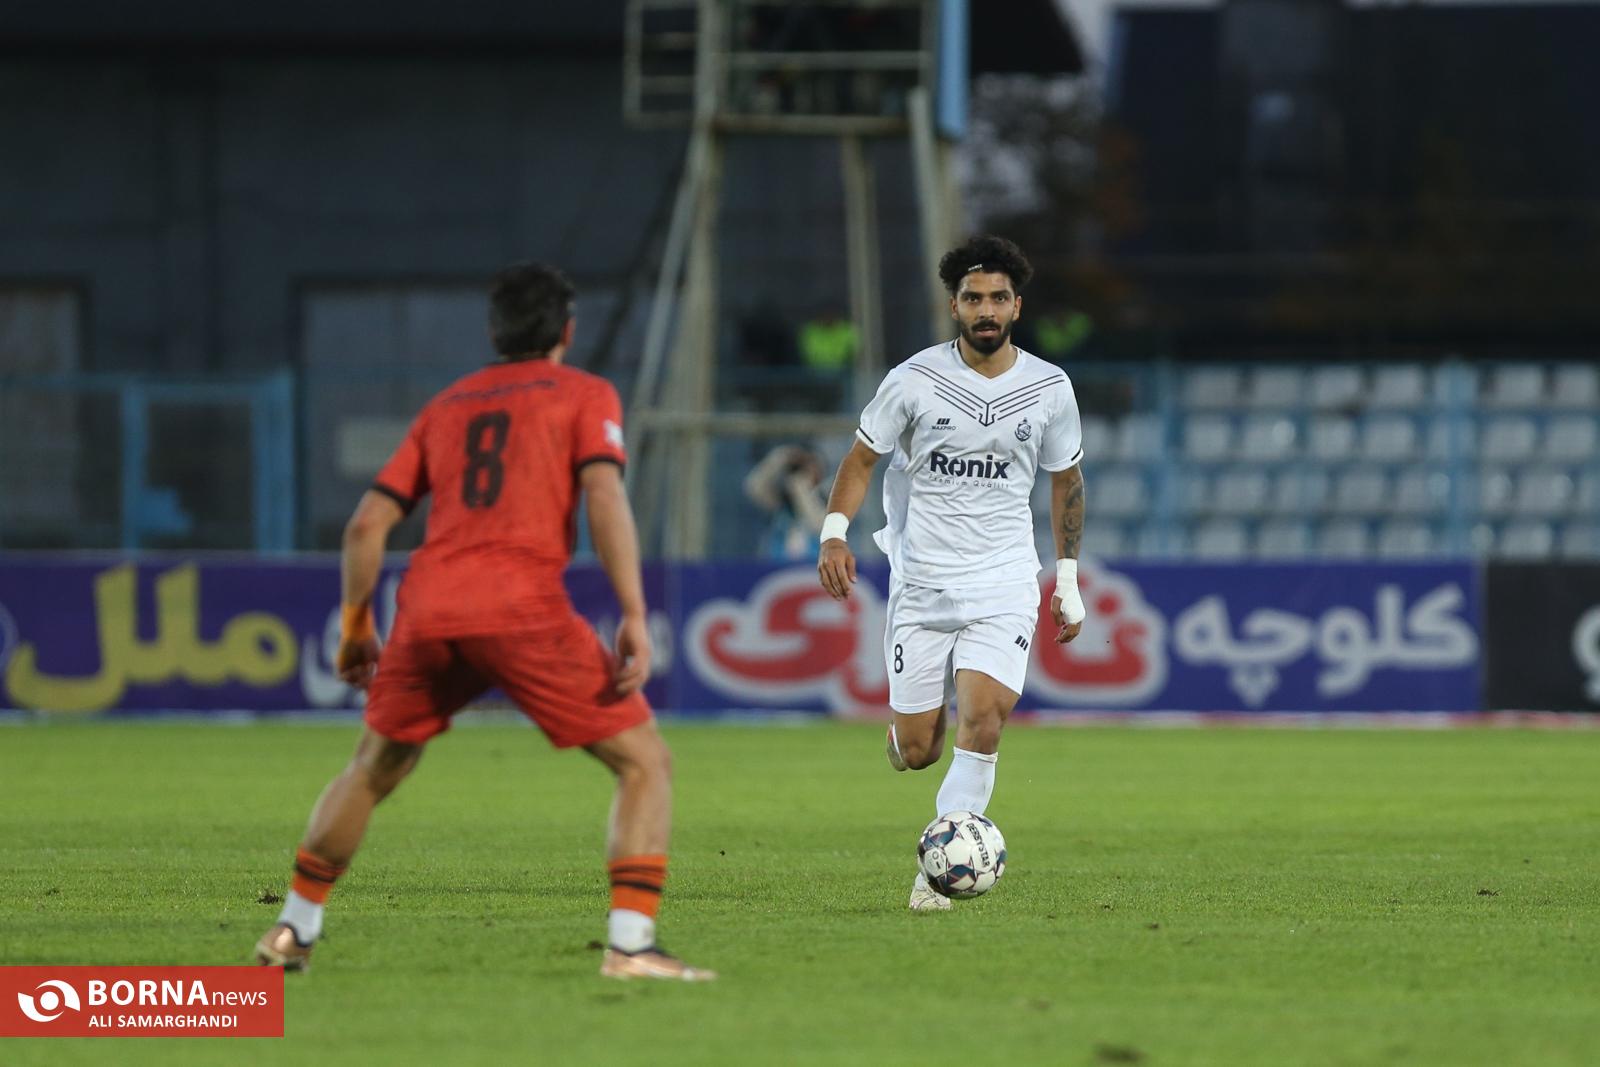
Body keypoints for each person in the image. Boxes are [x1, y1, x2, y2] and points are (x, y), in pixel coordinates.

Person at [254, 263, 713, 981]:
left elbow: (366, 524)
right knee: (644, 761)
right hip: (519, 605)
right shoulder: (584, 394)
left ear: (494, 331)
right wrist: (631, 609)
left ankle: (292, 929)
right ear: (566, 331)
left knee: (373, 766)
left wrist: (355, 623)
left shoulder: (446, 406)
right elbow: (603, 494)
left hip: (428, 607)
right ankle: (630, 945)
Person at [815, 235, 1087, 911]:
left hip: (1004, 581)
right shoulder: (913, 380)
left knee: (984, 721)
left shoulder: (1050, 388)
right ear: (954, 306)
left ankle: (937, 873)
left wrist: (1067, 580)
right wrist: (833, 534)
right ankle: (904, 738)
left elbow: (1067, 481)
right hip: (923, 583)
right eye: (973, 298)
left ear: (1017, 306)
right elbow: (860, 460)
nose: (985, 309)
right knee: (920, 750)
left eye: (998, 297)